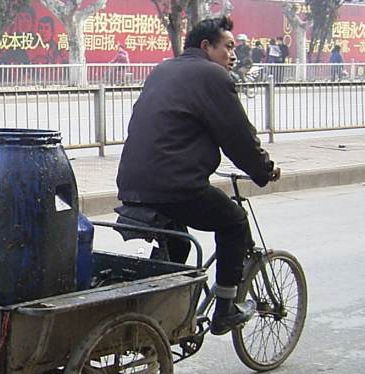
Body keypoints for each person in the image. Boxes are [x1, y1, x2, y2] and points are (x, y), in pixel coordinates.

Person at [116, 16, 280, 336]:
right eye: (228, 47)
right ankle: (226, 310)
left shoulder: (163, 69)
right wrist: (263, 170)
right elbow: (238, 136)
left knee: (178, 246)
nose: (233, 55)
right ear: (206, 46)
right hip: (175, 184)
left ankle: (158, 319)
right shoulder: (211, 76)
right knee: (233, 222)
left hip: (134, 182)